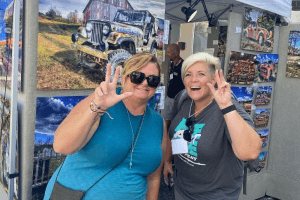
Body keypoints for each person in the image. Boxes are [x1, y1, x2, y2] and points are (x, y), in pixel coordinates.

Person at [43, 53, 166, 200]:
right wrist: (98, 107)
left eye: (153, 80)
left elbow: (153, 177)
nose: (145, 83)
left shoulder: (158, 122)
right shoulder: (99, 102)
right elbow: (61, 146)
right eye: (137, 76)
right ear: (124, 77)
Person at [163, 52, 261, 200]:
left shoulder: (227, 108)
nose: (193, 79)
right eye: (188, 74)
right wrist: (167, 161)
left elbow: (250, 153)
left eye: (201, 74)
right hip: (182, 189)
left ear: (213, 79)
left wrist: (226, 106)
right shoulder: (184, 101)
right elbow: (173, 133)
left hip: (215, 195)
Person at [162, 44, 185, 128]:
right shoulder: (171, 65)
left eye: (168, 52)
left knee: (175, 121)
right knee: (164, 118)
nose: (167, 54)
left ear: (176, 53)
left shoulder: (183, 66)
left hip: (178, 100)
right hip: (169, 97)